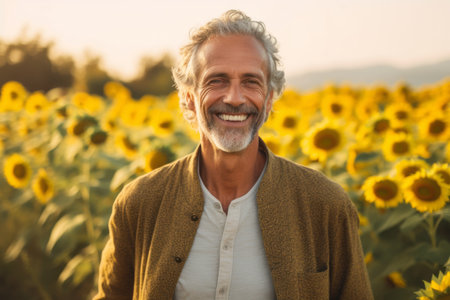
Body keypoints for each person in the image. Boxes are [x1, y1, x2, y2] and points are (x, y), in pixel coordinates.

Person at [94, 10, 373, 300]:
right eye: (217, 80)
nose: (235, 98)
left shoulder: (325, 205)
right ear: (188, 96)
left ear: (268, 99)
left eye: (251, 81)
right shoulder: (140, 203)